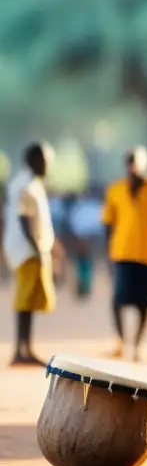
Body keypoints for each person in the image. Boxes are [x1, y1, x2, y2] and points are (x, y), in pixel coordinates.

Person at [102, 146, 147, 362]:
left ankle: (138, 343)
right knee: (118, 300)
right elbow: (108, 223)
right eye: (131, 161)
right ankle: (123, 341)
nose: (134, 166)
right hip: (122, 253)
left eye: (137, 162)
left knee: (146, 301)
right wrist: (110, 249)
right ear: (126, 164)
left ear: (145, 164)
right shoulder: (115, 189)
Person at [3, 143, 57, 366]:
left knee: (28, 300)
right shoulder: (25, 184)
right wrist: (37, 249)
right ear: (35, 160)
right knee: (24, 300)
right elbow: (25, 220)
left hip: (30, 248)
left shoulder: (31, 183)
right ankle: (20, 350)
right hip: (27, 251)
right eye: (45, 161)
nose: (48, 166)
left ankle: (25, 348)